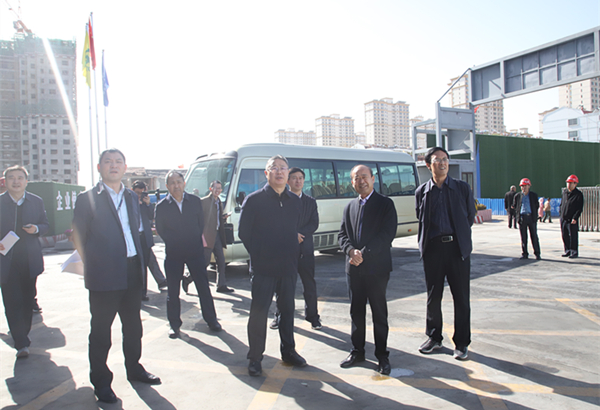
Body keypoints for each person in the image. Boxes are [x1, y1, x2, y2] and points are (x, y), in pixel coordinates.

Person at [72, 149, 161, 404]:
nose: (114, 165)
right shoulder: (87, 198)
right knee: (101, 332)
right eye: (108, 162)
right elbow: (78, 236)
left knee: (133, 326)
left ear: (125, 167)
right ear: (99, 167)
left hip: (132, 270)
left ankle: (134, 368)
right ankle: (101, 382)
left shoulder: (132, 196)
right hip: (104, 275)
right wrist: (96, 264)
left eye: (118, 162)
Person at [238, 155, 307, 377]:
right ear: (266, 173)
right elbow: (244, 233)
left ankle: (289, 352)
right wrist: (260, 255)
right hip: (263, 269)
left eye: (282, 168)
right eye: (274, 168)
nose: (279, 171)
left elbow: (294, 229)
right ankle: (255, 357)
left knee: (287, 312)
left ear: (288, 173)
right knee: (259, 314)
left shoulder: (294, 200)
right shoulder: (254, 200)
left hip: (288, 267)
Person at [415, 147, 475, 361]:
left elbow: (469, 215)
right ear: (428, 165)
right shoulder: (422, 192)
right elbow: (420, 217)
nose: (442, 163)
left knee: (461, 297)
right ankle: (434, 337)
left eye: (445, 159)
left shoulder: (461, 188)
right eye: (437, 160)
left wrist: (459, 237)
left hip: (457, 249)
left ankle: (462, 343)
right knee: (433, 296)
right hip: (433, 249)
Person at [338, 164, 397, 375]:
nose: (361, 181)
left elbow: (387, 234)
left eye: (364, 176)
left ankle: (382, 355)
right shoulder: (349, 207)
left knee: (379, 313)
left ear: (373, 179)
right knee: (356, 312)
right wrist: (350, 251)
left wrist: (363, 254)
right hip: (353, 269)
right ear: (352, 182)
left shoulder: (385, 204)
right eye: (356, 178)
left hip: (377, 269)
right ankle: (357, 351)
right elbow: (342, 235)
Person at [154, 170, 222, 338]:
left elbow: (200, 224)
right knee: (173, 292)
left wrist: (192, 239)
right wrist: (175, 241)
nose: (176, 185)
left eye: (179, 182)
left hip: (195, 251)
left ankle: (211, 320)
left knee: (203, 287)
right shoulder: (161, 206)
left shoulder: (194, 201)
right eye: (172, 183)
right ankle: (174, 324)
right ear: (167, 186)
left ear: (184, 183)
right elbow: (161, 229)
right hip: (174, 254)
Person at [0, 165, 49, 358]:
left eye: (20, 177)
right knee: (12, 301)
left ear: (26, 181)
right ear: (5, 181)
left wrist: (36, 228)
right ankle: (21, 342)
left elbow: (45, 225)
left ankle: (23, 334)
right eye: (11, 178)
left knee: (28, 300)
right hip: (6, 261)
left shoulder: (36, 201)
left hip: (29, 260)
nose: (16, 181)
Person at [270, 167, 321, 331]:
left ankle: (313, 317)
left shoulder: (310, 201)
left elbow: (314, 223)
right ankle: (279, 317)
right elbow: (276, 223)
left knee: (309, 286)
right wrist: (293, 235)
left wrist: (300, 234)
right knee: (283, 288)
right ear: (288, 181)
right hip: (285, 251)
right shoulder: (281, 200)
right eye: (294, 178)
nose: (298, 181)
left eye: (300, 178)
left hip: (305, 251)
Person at [131, 180, 168, 301]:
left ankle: (147, 289)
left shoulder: (145, 204)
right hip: (134, 238)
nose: (139, 196)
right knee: (140, 267)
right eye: (137, 193)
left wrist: (148, 204)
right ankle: (142, 291)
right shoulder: (129, 203)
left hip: (144, 237)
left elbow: (152, 216)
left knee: (148, 263)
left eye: (142, 193)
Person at [201, 180, 233, 293]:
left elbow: (216, 217)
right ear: (211, 189)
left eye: (219, 188)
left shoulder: (219, 201)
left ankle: (221, 285)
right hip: (207, 236)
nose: (218, 190)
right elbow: (199, 219)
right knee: (205, 262)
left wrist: (223, 218)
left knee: (221, 261)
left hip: (217, 235)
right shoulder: (204, 201)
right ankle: (188, 278)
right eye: (215, 188)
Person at [512, 178, 541, 260]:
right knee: (523, 237)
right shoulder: (517, 196)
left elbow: (536, 205)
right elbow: (515, 206)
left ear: (529, 186)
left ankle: (537, 253)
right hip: (522, 217)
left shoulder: (533, 195)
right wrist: (517, 217)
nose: (523, 188)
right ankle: (525, 253)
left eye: (525, 186)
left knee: (534, 236)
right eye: (522, 186)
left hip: (531, 217)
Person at [560, 174, 584, 259]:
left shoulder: (578, 194)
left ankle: (574, 252)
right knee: (565, 235)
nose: (569, 184)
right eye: (568, 183)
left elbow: (579, 208)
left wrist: (575, 217)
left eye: (571, 183)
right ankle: (567, 250)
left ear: (575, 184)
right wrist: (561, 213)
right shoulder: (565, 192)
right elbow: (562, 204)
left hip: (572, 219)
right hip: (563, 218)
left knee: (573, 236)